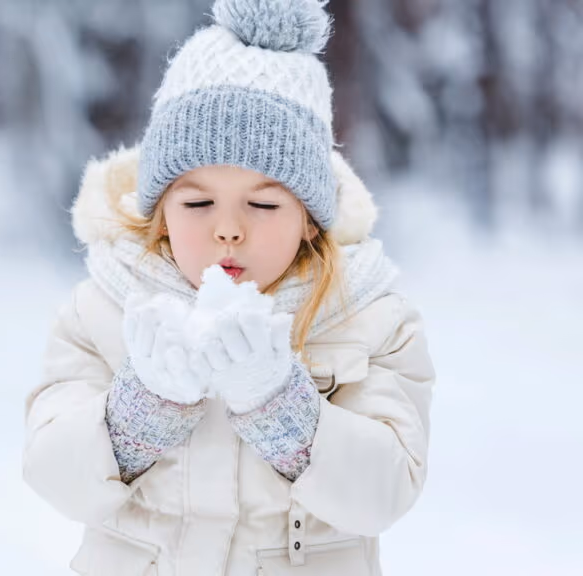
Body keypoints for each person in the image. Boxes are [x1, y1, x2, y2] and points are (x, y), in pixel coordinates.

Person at [22, 1, 436, 574]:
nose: (228, 228)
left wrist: (280, 405)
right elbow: (53, 474)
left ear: (311, 216)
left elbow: (385, 493)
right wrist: (142, 410)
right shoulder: (103, 309)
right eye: (197, 202)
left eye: (263, 203)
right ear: (161, 209)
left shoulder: (368, 318)